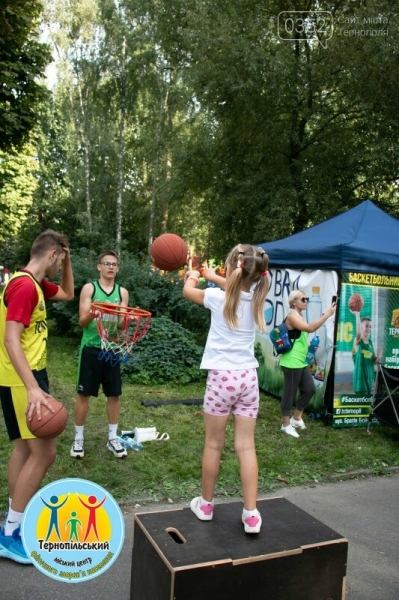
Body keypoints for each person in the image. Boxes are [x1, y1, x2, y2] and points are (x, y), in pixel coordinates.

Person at [183, 244, 269, 534]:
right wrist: (216, 275)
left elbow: (188, 292)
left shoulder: (216, 297)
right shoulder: (258, 299)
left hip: (222, 379)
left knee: (213, 444)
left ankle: (206, 505)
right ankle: (252, 514)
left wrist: (194, 275)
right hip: (248, 378)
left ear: (232, 267)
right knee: (246, 446)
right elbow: (238, 286)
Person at [0, 230, 74, 564]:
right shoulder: (24, 286)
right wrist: (32, 387)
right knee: (45, 454)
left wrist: (68, 259)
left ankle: (13, 520)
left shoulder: (36, 284)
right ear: (52, 254)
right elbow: (11, 339)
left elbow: (69, 294)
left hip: (25, 375)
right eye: (61, 258)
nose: (61, 264)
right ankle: (11, 533)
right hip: (21, 379)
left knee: (24, 449)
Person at [70, 250, 129, 459]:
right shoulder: (89, 288)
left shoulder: (122, 292)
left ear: (118, 268)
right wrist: (94, 313)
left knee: (114, 394)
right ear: (99, 266)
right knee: (84, 394)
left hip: (111, 349)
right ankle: (78, 439)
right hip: (92, 348)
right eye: (106, 263)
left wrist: (122, 317)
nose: (110, 267)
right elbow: (82, 321)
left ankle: (113, 438)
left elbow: (122, 327)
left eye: (114, 264)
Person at [280, 290, 336, 438]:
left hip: (300, 361)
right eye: (302, 299)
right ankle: (285, 424)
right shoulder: (292, 317)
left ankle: (296, 418)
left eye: (306, 299)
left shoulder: (300, 316)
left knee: (310, 389)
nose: (306, 301)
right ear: (294, 302)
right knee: (289, 393)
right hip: (291, 361)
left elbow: (300, 337)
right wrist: (327, 315)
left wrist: (310, 347)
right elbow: (311, 328)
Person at [352, 312, 381, 395]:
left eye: (370, 327)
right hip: (360, 381)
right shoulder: (357, 341)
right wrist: (357, 315)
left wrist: (379, 357)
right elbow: (358, 334)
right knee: (360, 405)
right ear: (361, 327)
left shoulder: (371, 343)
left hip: (370, 379)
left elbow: (374, 361)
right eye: (366, 326)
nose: (369, 328)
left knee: (369, 405)